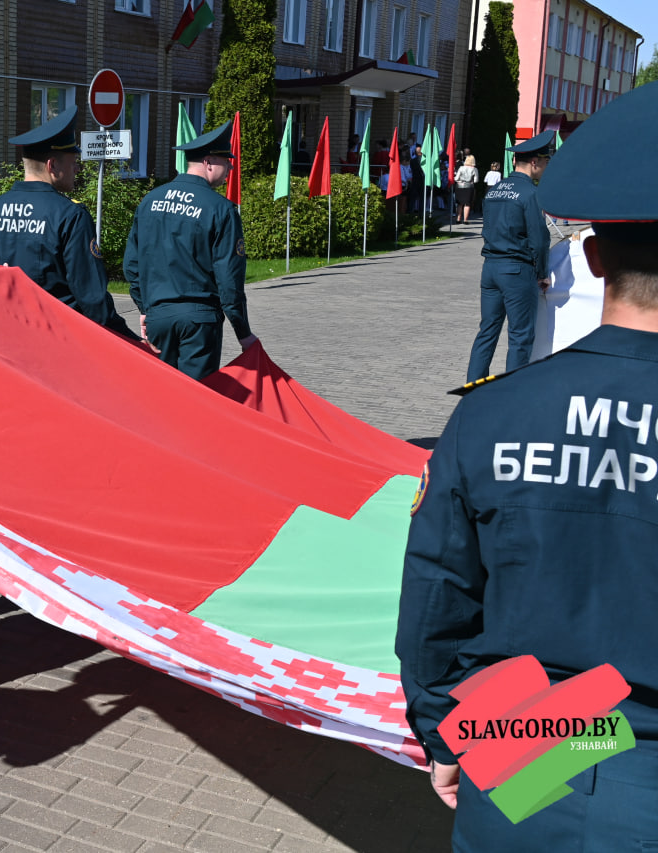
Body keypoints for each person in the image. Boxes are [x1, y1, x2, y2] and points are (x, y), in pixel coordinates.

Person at [396, 80, 658, 851]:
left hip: (527, 737)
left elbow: (437, 600)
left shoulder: (492, 412)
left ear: (595, 258)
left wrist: (446, 731)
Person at [0, 106, 138, 341]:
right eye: (73, 162)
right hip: (57, 340)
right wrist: (131, 341)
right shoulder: (70, 215)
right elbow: (92, 298)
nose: (77, 169)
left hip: (5, 339)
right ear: (52, 166)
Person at [122, 120, 256, 379]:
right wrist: (244, 333)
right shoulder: (221, 209)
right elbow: (229, 280)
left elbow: (132, 265)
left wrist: (145, 308)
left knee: (162, 391)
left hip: (158, 317)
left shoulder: (150, 200)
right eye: (226, 161)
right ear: (208, 162)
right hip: (199, 322)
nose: (230, 167)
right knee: (198, 396)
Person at [464, 131, 554, 382]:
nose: (546, 168)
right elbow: (539, 238)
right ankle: (512, 391)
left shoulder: (494, 190)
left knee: (487, 332)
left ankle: (473, 387)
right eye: (545, 162)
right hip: (517, 270)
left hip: (490, 267)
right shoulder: (531, 193)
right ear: (534, 162)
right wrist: (542, 273)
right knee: (520, 336)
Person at [453, 154, 479, 224]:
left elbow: (456, 178)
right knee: (467, 204)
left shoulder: (461, 168)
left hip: (459, 186)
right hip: (469, 187)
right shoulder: (474, 169)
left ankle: (458, 219)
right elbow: (476, 180)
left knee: (459, 203)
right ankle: (465, 220)